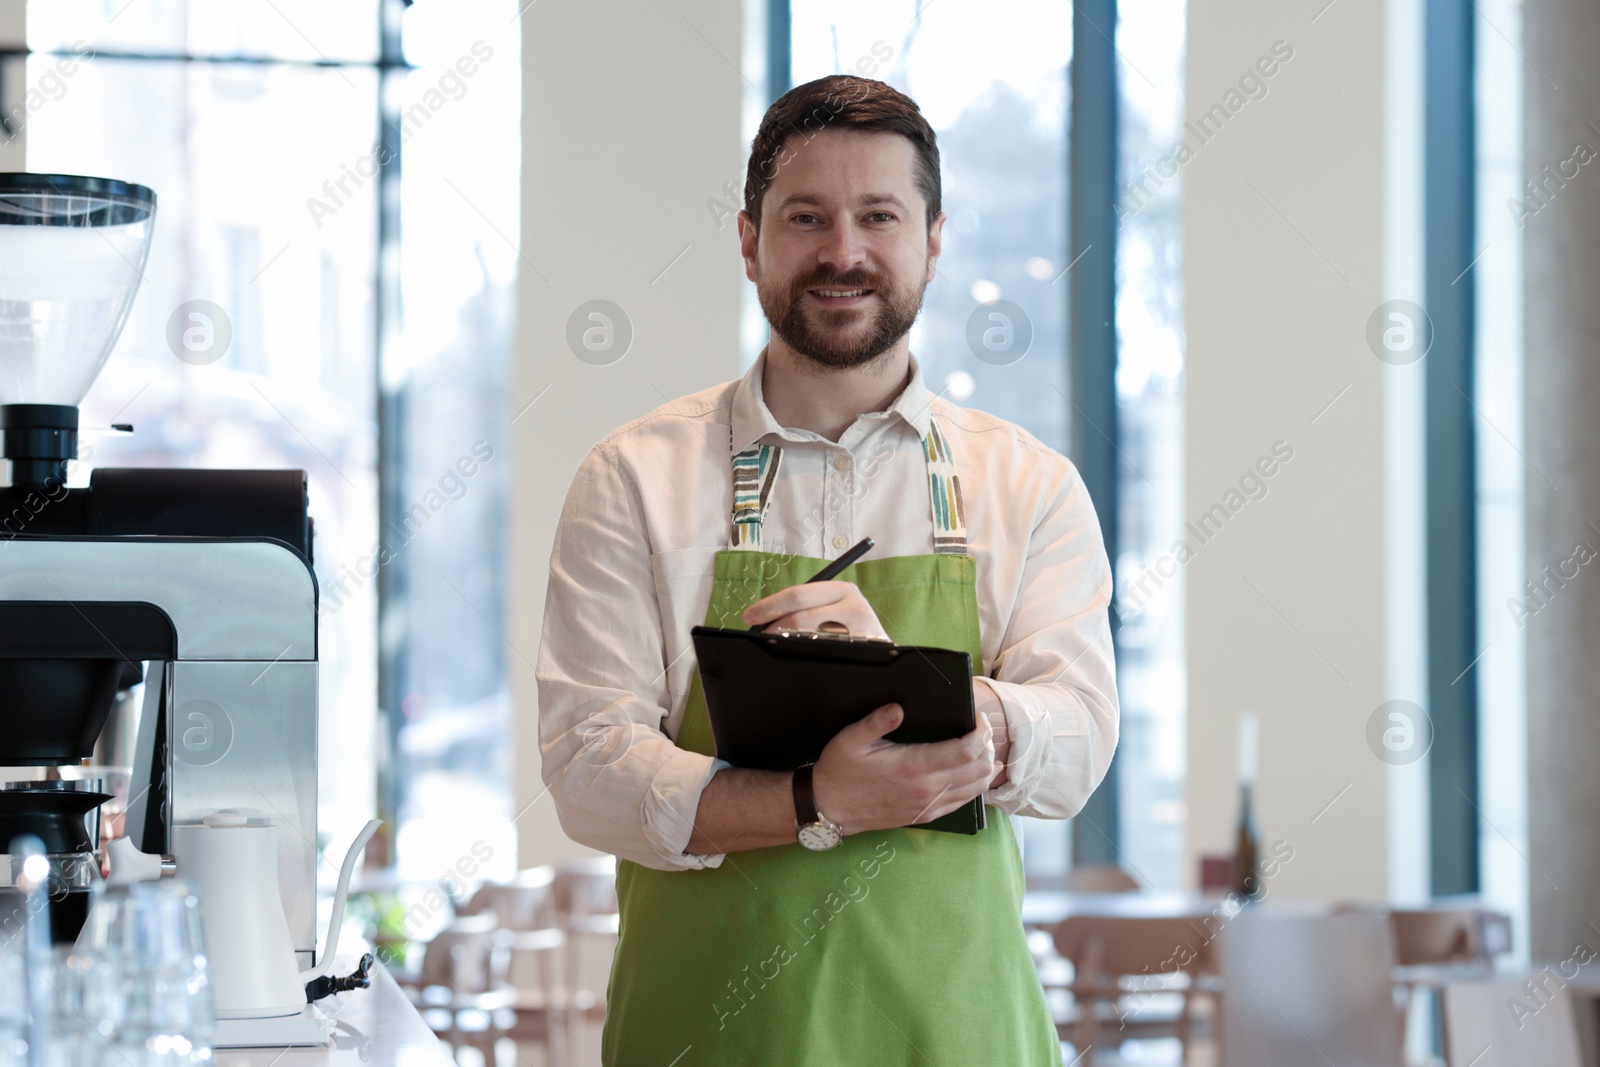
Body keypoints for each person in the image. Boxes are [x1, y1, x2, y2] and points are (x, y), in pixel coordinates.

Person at [537, 74, 1119, 1066]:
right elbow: (589, 769)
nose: (841, 252)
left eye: (878, 216)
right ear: (748, 238)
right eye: (805, 216)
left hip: (959, 1036)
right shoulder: (633, 477)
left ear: (932, 238)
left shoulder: (1027, 484)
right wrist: (820, 800)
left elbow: (1078, 741)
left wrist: (918, 689)